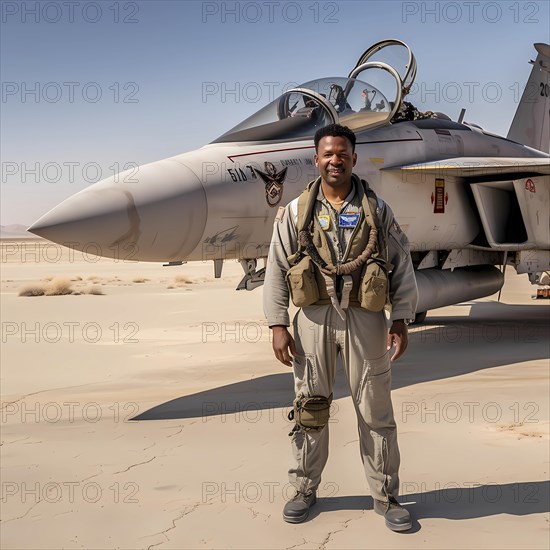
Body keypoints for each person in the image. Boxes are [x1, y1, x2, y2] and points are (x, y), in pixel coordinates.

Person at [263, 123, 418, 531]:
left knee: (375, 410)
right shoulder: (296, 212)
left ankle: (386, 495)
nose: (335, 160)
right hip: (312, 318)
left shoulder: (377, 210)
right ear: (316, 159)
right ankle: (304, 489)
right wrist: (278, 324)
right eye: (327, 154)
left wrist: (400, 318)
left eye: (342, 153)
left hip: (365, 318)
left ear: (354, 158)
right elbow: (277, 270)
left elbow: (401, 265)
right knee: (310, 410)